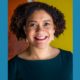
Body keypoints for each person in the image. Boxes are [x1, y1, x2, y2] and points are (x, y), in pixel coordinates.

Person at [8, 2, 72, 80]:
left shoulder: (71, 59)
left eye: (46, 24)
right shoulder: (10, 67)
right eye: (33, 24)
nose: (40, 30)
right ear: (25, 29)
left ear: (54, 28)